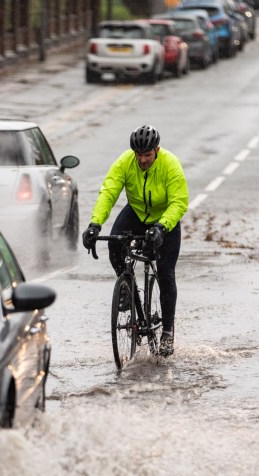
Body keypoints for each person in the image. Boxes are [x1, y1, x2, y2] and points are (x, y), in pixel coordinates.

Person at [82, 125, 189, 357]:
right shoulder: (125, 162)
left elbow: (179, 202)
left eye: (147, 155)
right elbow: (109, 192)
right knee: (114, 244)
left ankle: (168, 332)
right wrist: (94, 225)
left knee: (166, 273)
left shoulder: (170, 164)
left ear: (157, 151)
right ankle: (128, 289)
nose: (142, 160)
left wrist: (161, 227)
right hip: (138, 212)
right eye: (139, 155)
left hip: (164, 219)